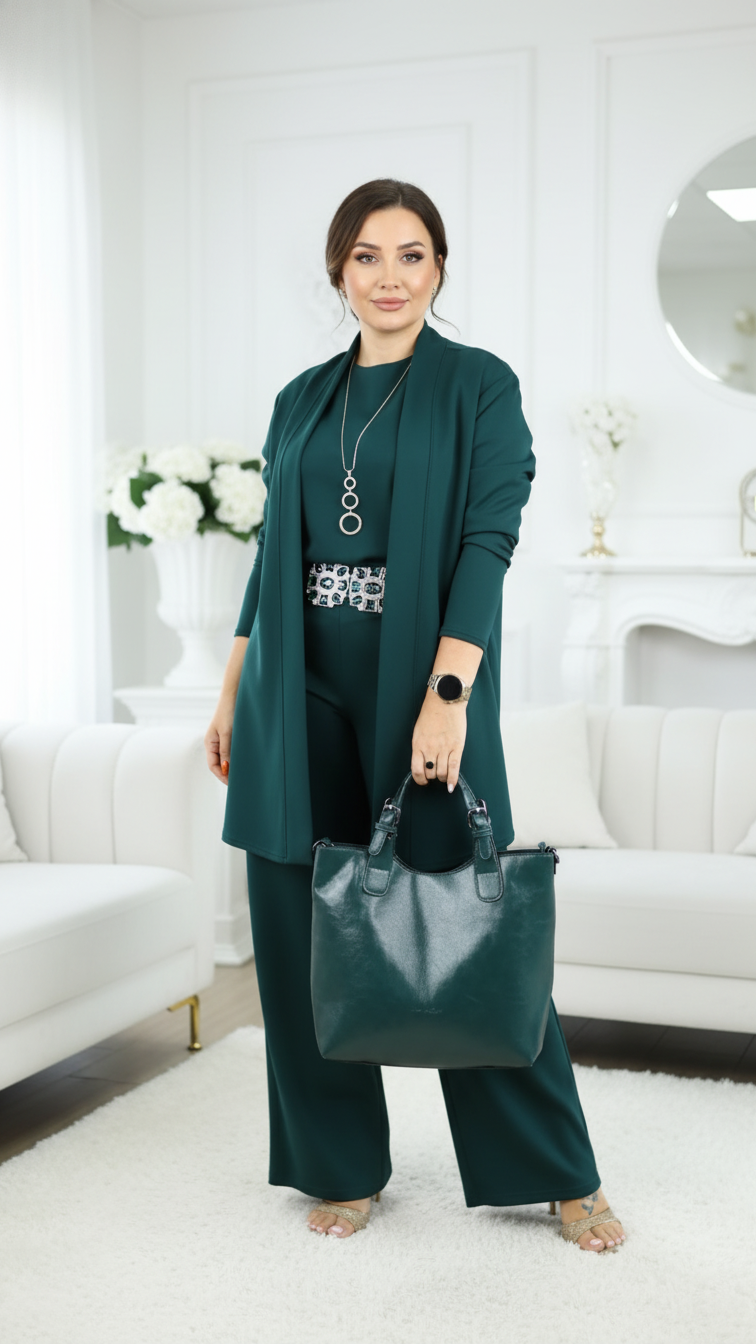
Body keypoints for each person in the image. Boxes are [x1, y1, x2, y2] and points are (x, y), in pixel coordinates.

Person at [204, 179, 626, 1253]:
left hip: (419, 684)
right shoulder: (301, 399)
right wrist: (232, 689)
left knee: (469, 927)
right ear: (338, 271)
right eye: (367, 256)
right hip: (294, 684)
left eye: (411, 255)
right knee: (299, 930)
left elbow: (488, 545)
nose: (389, 278)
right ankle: (338, 1165)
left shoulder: (478, 386)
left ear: (439, 268)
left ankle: (557, 1172)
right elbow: (270, 556)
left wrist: (448, 697)